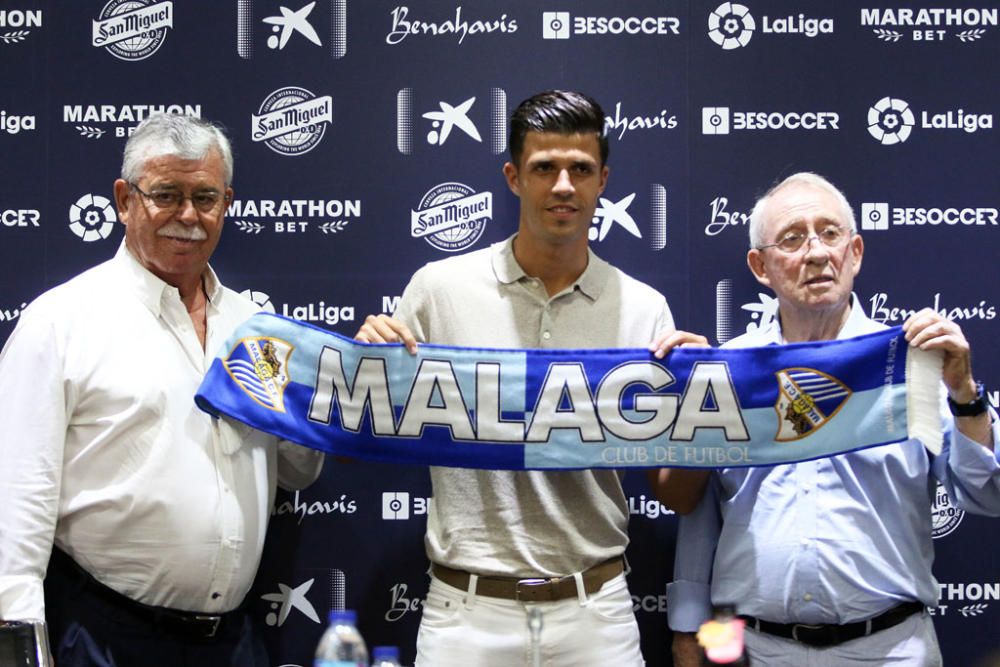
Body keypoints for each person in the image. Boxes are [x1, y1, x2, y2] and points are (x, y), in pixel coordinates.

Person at [355, 90, 702, 666]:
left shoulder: (645, 309)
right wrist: (362, 369)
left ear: (603, 180)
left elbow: (677, 494)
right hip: (466, 613)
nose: (563, 185)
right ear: (514, 178)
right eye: (545, 168)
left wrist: (701, 407)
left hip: (597, 611)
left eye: (580, 169)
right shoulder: (440, 290)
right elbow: (358, 444)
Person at [0, 113, 325, 667]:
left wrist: (319, 399)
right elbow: (17, 497)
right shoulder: (60, 322)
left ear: (228, 202)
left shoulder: (256, 328)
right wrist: (17, 644)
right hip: (102, 637)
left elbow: (298, 471)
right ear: (125, 200)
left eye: (205, 197)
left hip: (233, 643)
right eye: (166, 195)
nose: (188, 216)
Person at [666, 172, 1000, 666]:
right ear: (761, 266)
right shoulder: (729, 370)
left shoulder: (913, 364)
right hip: (755, 650)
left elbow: (987, 495)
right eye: (793, 239)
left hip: (892, 650)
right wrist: (688, 628)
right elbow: (703, 513)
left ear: (856, 252)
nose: (817, 253)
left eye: (830, 233)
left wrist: (965, 394)